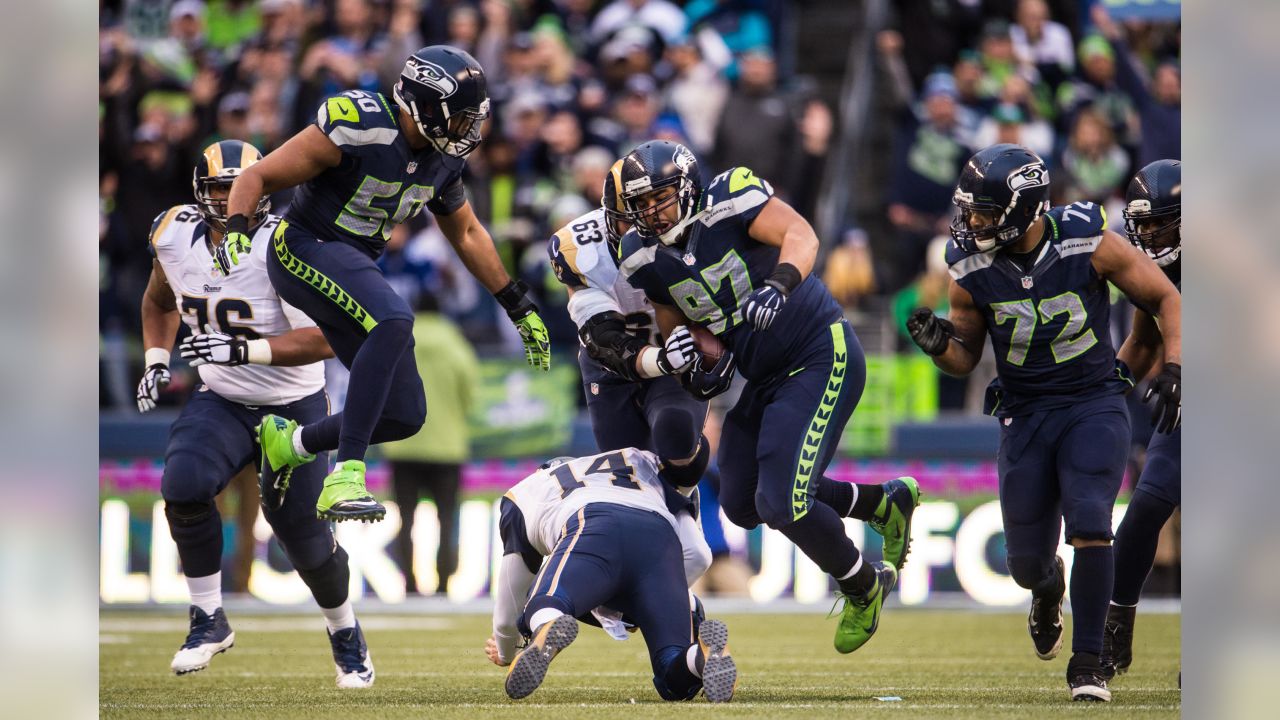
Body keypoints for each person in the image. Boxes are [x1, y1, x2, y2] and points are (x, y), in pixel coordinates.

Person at [219, 45, 551, 523]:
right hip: (302, 246)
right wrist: (235, 227)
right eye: (459, 118)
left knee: (404, 413)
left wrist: (515, 302)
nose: (468, 131)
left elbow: (467, 232)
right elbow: (258, 175)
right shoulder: (361, 123)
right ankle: (346, 474)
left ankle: (288, 443)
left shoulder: (444, 160)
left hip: (354, 266)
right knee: (394, 319)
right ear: (423, 105)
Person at [615, 140, 920, 655]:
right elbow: (676, 328)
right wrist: (688, 357)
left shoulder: (730, 195)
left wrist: (778, 284)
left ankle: (863, 584)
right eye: (640, 203)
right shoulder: (641, 255)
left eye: (659, 198)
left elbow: (800, 234)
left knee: (784, 502)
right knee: (742, 503)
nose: (649, 211)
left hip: (819, 350)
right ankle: (880, 502)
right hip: (763, 376)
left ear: (687, 188)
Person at [906, 144, 1182, 701]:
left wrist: (1173, 365)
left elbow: (1165, 298)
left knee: (1090, 521)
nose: (972, 222)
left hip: (1091, 402)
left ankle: (1088, 663)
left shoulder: (1085, 239)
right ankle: (1047, 587)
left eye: (983, 212)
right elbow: (965, 354)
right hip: (1025, 410)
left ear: (1022, 208)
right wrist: (941, 347)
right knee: (1027, 562)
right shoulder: (970, 268)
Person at [137, 139, 374, 688]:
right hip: (221, 397)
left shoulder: (287, 245)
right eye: (219, 187)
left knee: (307, 545)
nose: (229, 198)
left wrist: (244, 349)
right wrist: (155, 359)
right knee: (185, 482)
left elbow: (326, 337)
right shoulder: (172, 234)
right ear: (200, 191)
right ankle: (207, 618)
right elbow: (158, 300)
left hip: (292, 408)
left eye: (238, 186)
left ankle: (344, 633)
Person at [485, 447, 734, 703]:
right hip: (660, 539)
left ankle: (547, 622)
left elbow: (511, 595)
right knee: (672, 675)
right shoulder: (643, 461)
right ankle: (699, 658)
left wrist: (506, 650)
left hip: (593, 525)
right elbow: (698, 554)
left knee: (546, 599)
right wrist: (648, 605)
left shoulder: (528, 489)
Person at [548, 157, 706, 471]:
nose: (639, 231)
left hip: (677, 350)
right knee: (626, 467)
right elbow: (605, 340)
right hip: (612, 366)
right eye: (628, 221)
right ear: (609, 217)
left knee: (677, 434)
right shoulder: (581, 250)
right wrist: (661, 359)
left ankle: (684, 508)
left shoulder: (696, 234)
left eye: (649, 217)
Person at [1102, 159, 1182, 677]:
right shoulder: (1157, 271)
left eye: (1161, 223)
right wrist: (1101, 390)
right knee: (1140, 518)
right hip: (1190, 411)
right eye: (1143, 225)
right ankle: (1117, 625)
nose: (1150, 235)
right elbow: (1143, 339)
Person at [380, 292, 479, 595]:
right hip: (447, 449)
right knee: (446, 520)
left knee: (405, 520)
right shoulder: (456, 346)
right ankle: (443, 585)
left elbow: (380, 385)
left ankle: (409, 584)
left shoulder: (398, 342)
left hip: (403, 445)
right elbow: (471, 398)